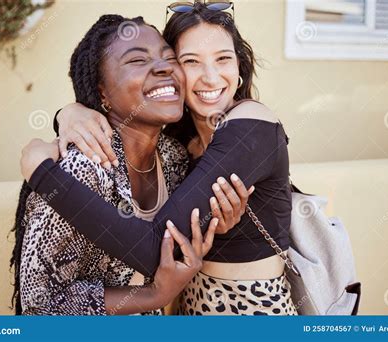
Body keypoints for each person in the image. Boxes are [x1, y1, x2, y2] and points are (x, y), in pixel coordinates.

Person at [21, 3, 297, 315]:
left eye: (223, 59)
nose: (210, 76)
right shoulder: (178, 145)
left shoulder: (251, 125)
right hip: (190, 309)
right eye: (190, 61)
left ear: (239, 66)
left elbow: (157, 249)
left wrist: (41, 173)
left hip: (251, 311)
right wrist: (69, 113)